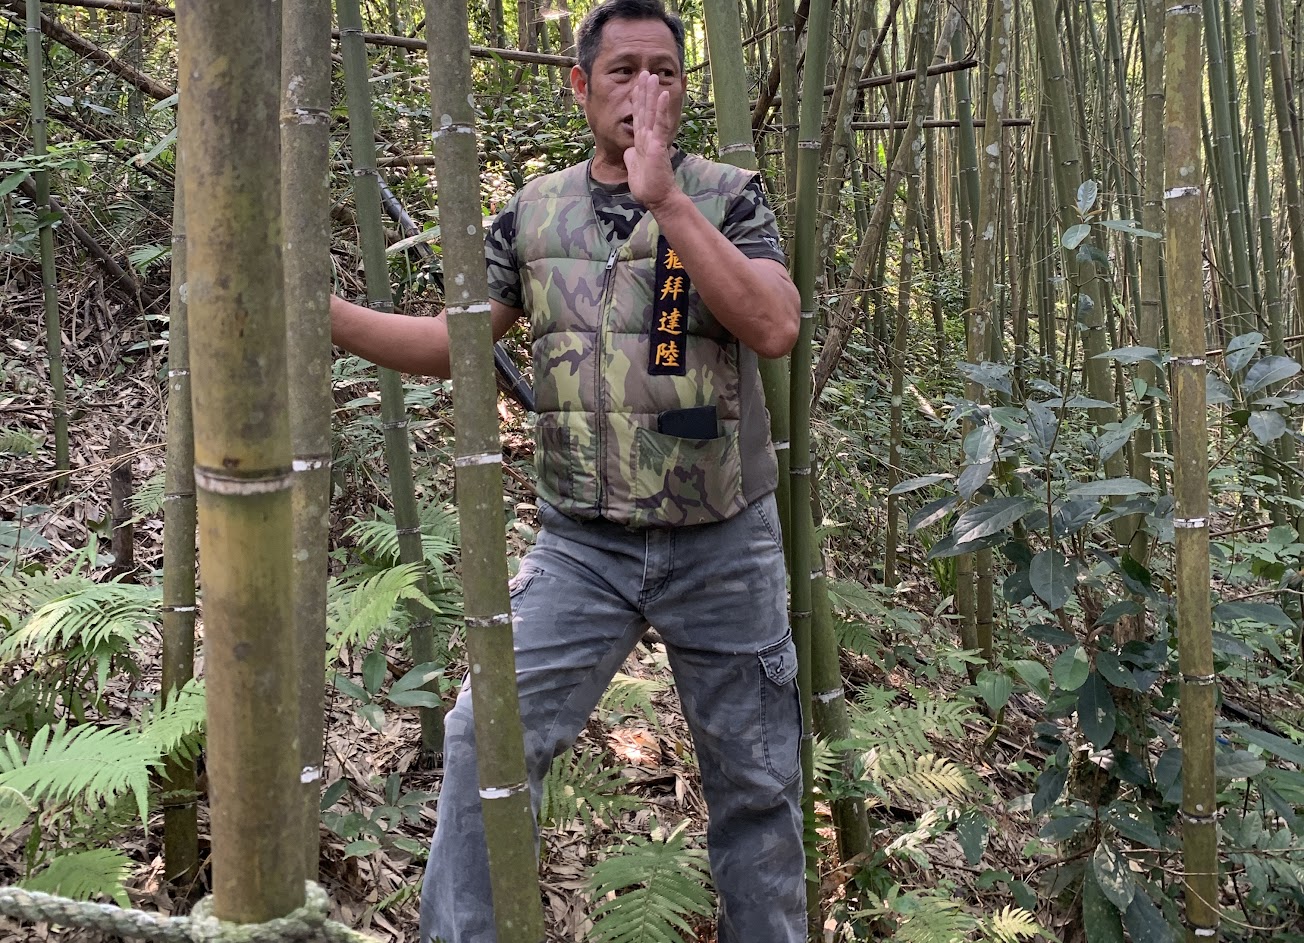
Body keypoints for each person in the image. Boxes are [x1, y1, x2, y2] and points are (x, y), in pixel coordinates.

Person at [330, 0, 804, 938]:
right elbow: (456, 342)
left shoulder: (728, 195)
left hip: (723, 540)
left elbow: (774, 325)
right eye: (624, 71)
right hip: (582, 545)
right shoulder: (535, 211)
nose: (646, 88)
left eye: (665, 71)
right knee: (485, 738)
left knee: (757, 784)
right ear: (581, 86)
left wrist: (667, 199)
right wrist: (324, 315)